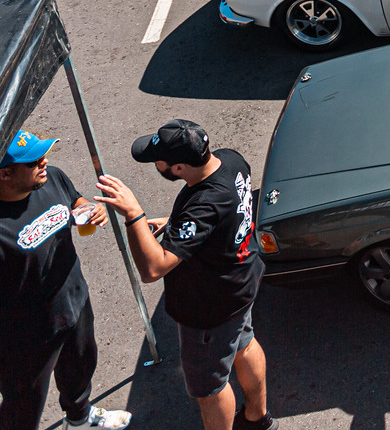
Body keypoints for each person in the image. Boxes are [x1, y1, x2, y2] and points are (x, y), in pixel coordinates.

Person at [0, 129, 131, 430]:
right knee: (22, 410)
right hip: (22, 341)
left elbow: (75, 200)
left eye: (43, 155)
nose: (44, 162)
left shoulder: (52, 178)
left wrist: (88, 210)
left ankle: (80, 422)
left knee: (79, 374)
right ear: (3, 174)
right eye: (33, 162)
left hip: (74, 305)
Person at [95, 122, 272, 430]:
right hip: (241, 281)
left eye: (158, 159)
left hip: (211, 306)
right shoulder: (229, 159)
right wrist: (177, 225)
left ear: (178, 166)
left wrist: (133, 214)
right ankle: (257, 418)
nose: (155, 163)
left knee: (210, 387)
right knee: (245, 343)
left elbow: (153, 268)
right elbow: (226, 211)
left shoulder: (204, 205)